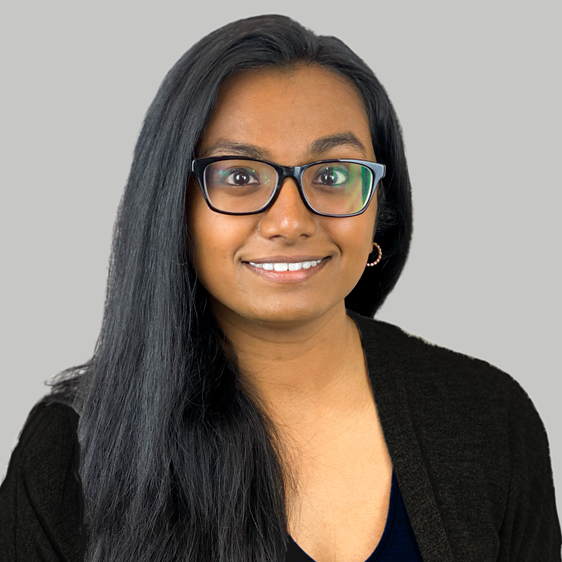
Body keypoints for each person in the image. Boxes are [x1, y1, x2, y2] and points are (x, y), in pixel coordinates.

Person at [0, 13, 560, 562]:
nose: (290, 222)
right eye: (240, 176)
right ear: (173, 206)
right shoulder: (70, 452)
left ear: (380, 210)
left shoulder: (489, 418)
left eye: (333, 175)